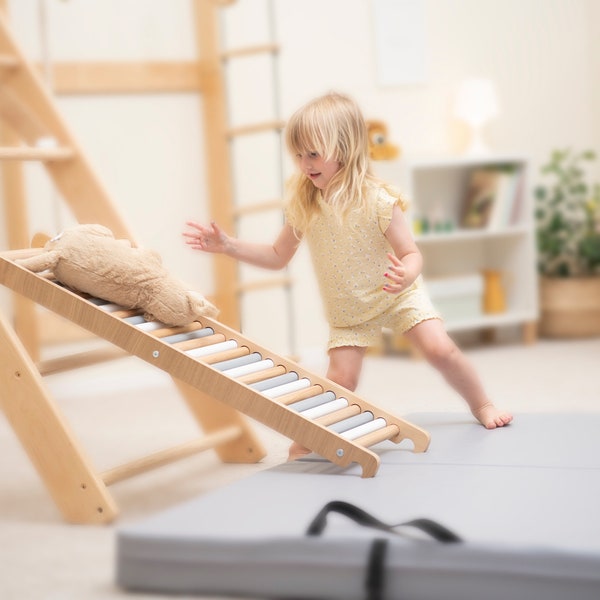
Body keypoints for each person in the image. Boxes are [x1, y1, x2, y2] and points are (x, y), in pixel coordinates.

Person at [183, 92, 513, 459]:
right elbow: (277, 256)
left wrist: (407, 274)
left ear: (344, 149)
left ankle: (482, 405)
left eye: (313, 153)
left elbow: (411, 253)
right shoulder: (305, 203)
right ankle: (306, 441)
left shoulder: (378, 201)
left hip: (397, 294)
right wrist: (228, 245)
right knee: (341, 381)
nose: (304, 163)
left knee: (441, 350)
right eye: (298, 154)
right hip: (350, 311)